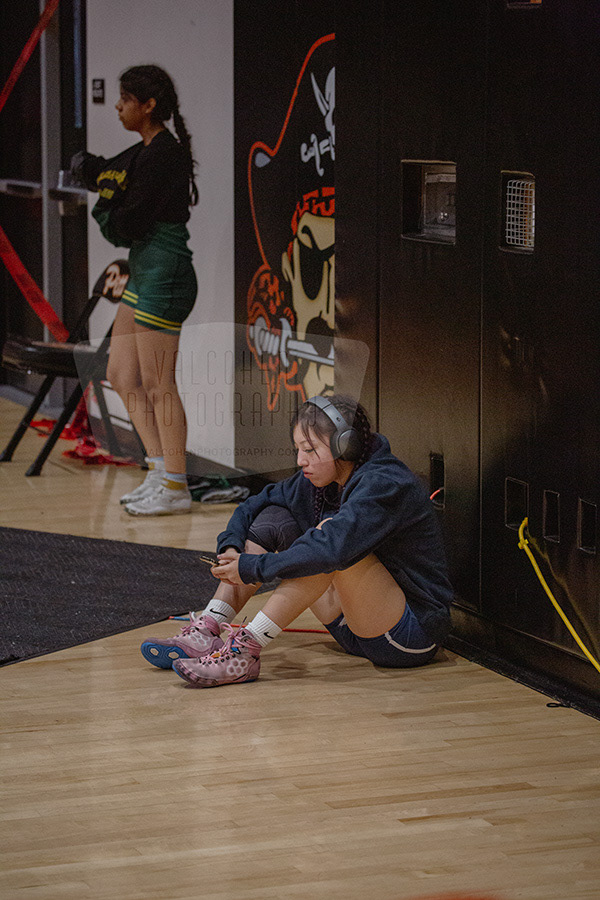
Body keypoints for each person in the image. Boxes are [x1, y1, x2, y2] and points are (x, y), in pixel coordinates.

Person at [140, 395, 454, 686]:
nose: (301, 460)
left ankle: (245, 651)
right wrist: (231, 546)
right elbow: (253, 506)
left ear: (345, 447)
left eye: (310, 450)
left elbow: (330, 550)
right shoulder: (322, 480)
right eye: (298, 449)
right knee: (276, 517)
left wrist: (253, 567)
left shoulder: (384, 483)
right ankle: (209, 626)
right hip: (351, 629)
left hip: (409, 636)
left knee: (329, 545)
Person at [71, 65, 198, 515]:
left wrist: (108, 206)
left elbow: (130, 222)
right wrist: (99, 180)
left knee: (159, 383)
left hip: (165, 272)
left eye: (125, 100)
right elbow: (116, 185)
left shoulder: (164, 154)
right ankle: (159, 471)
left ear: (148, 105)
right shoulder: (143, 151)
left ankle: (177, 486)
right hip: (145, 270)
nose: (118, 107)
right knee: (123, 374)